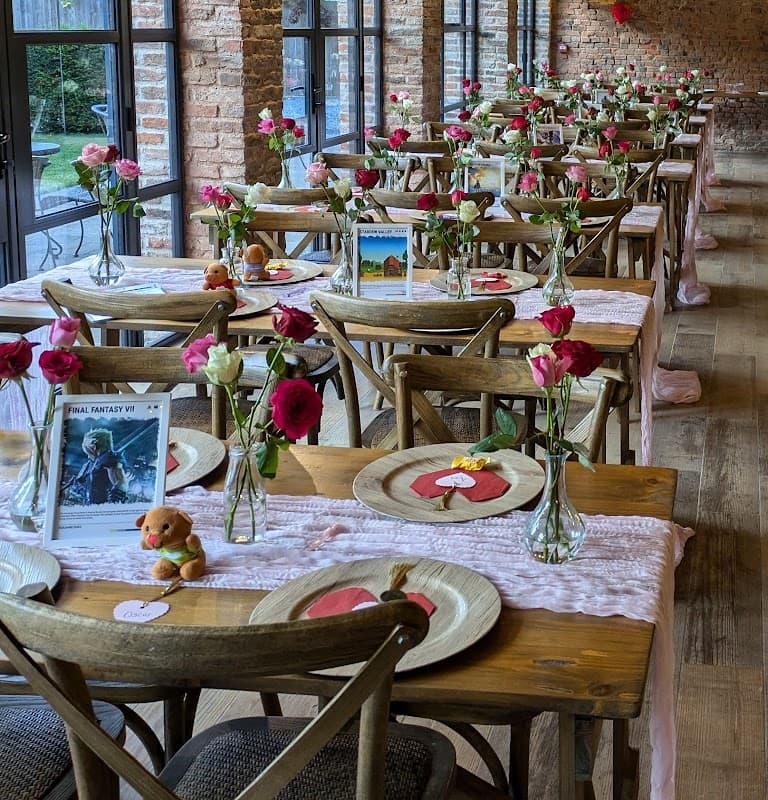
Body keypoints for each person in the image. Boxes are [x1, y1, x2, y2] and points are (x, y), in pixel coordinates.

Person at [71, 428, 129, 504]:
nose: (88, 456)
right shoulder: (88, 465)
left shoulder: (110, 459)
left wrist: (113, 504)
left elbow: (121, 483)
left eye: (88, 451)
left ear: (94, 447)